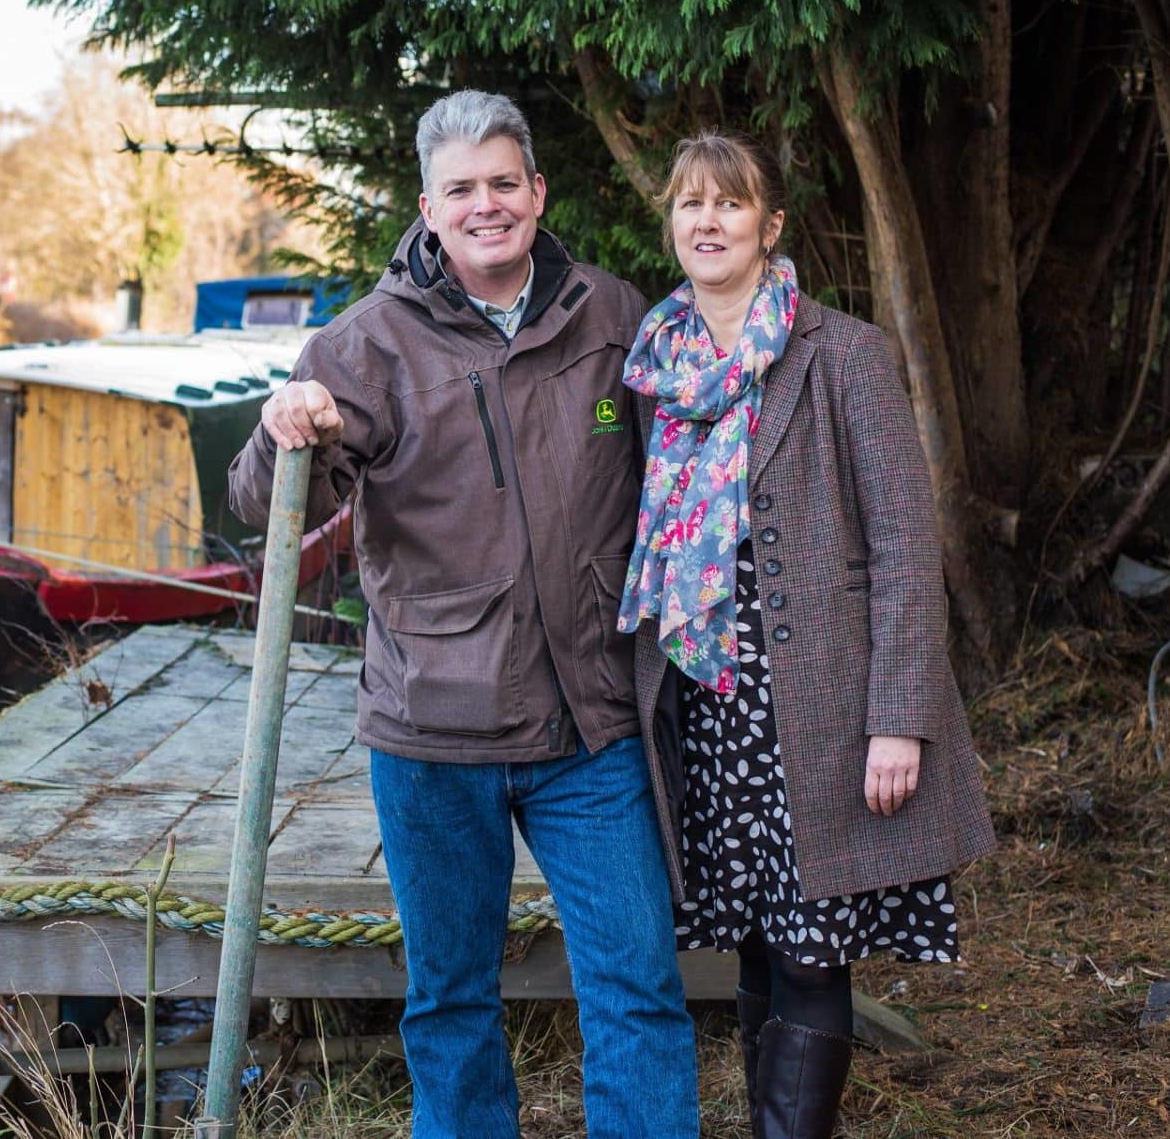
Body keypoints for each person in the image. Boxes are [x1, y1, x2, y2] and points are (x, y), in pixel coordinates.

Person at [229, 90, 698, 1139]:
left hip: (591, 721)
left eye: (501, 182)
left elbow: (694, 455)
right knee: (450, 1003)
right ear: (427, 209)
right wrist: (280, 429)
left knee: (636, 987)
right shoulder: (365, 346)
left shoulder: (611, 314)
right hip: (434, 731)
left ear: (535, 191)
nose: (483, 204)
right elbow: (261, 506)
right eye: (459, 190)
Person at [618, 131, 997, 1139]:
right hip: (705, 714)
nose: (706, 221)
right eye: (689, 204)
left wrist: (898, 720)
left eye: (728, 204)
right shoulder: (653, 369)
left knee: (810, 948)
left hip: (820, 718)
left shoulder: (844, 353)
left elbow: (907, 551)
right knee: (748, 944)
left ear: (768, 225)